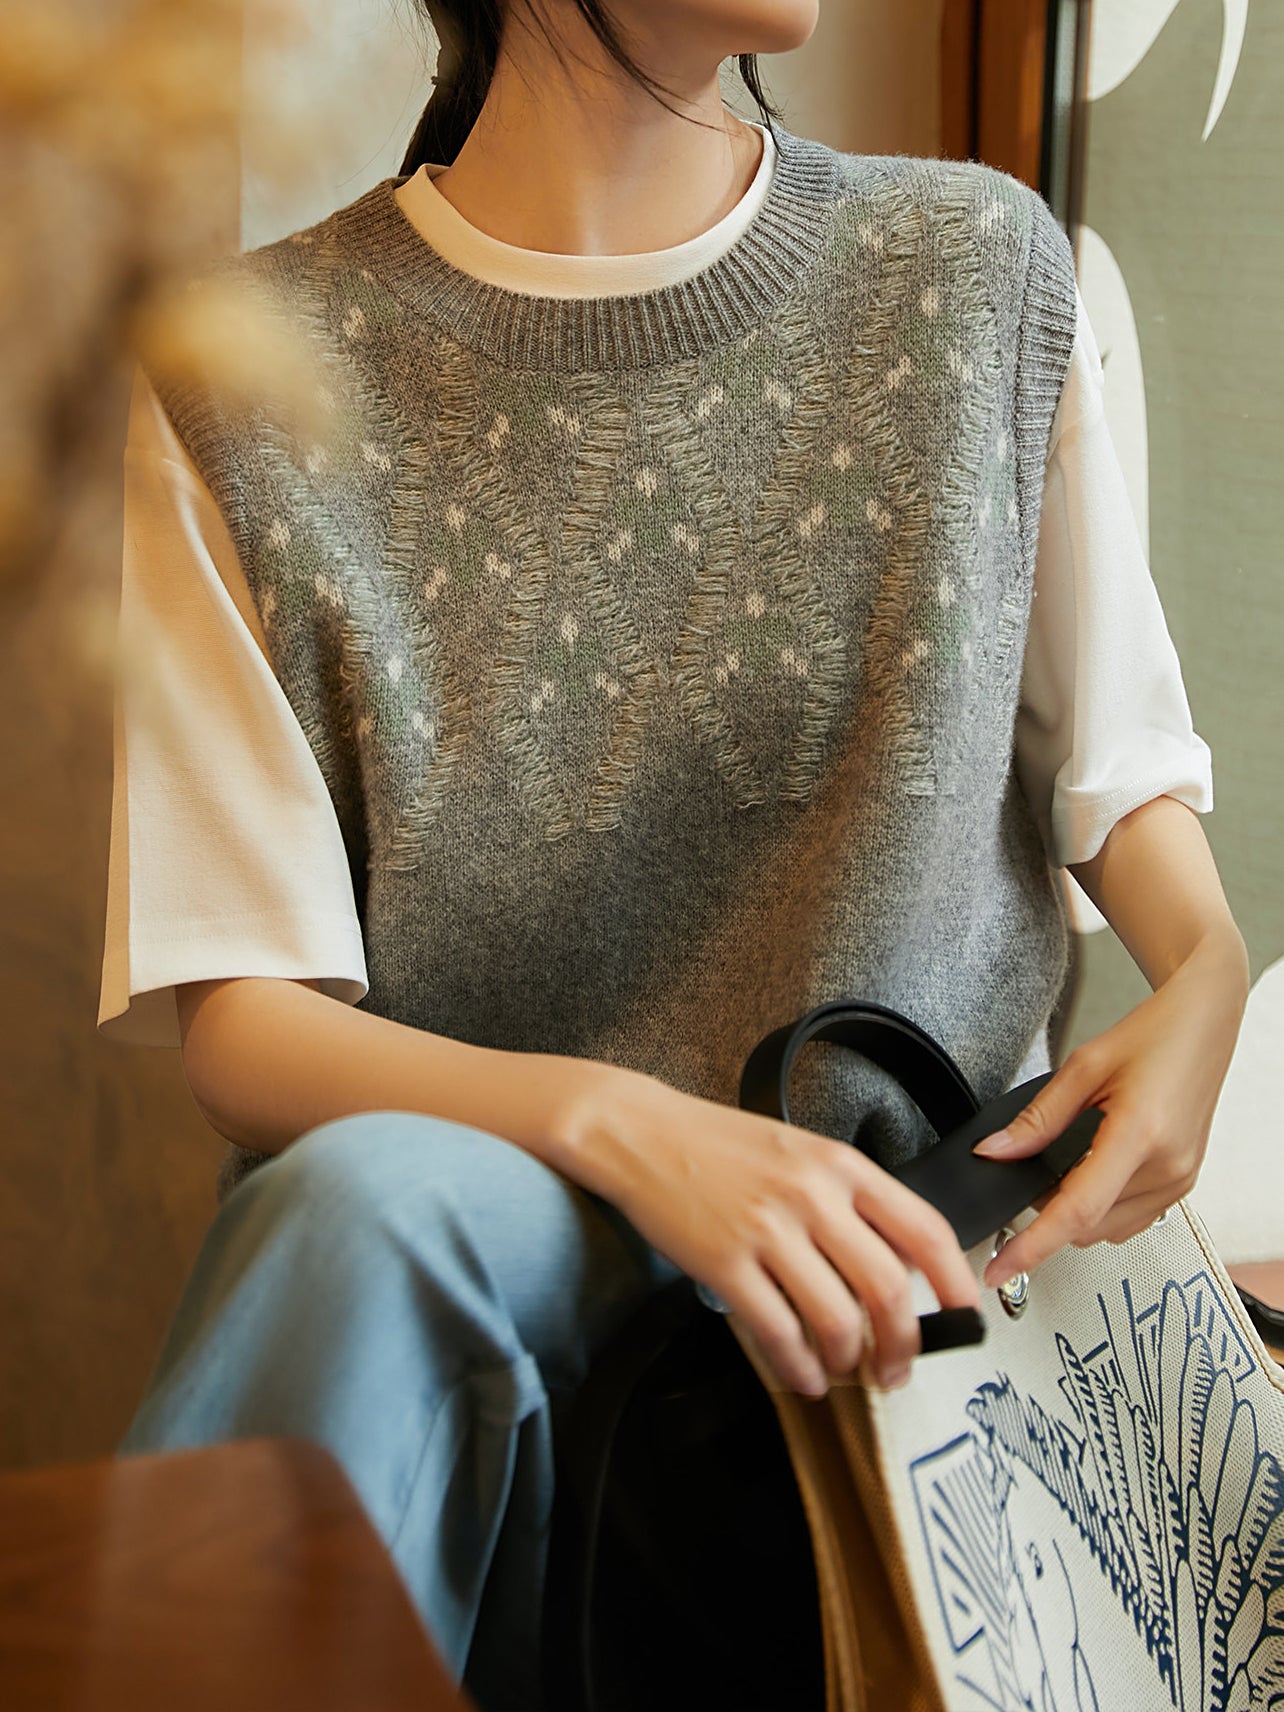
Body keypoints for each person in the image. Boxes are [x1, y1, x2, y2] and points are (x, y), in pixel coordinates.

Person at [101, 1, 1249, 1706]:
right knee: (362, 1212)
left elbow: (1125, 779)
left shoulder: (973, 275)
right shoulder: (245, 373)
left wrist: (1208, 978)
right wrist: (634, 1133)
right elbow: (246, 1024)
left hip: (896, 1270)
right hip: (498, 1236)